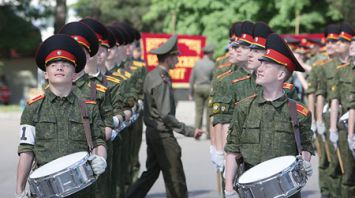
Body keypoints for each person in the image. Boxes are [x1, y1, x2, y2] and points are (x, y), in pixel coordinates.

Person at [15, 34, 107, 198]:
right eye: (53, 64)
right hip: (45, 189)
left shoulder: (88, 107)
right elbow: (26, 151)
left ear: (74, 75)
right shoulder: (33, 108)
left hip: (83, 187)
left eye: (65, 64)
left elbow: (99, 140)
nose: (59, 67)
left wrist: (101, 159)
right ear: (46, 74)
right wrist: (20, 190)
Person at [224, 33, 313, 198]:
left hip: (287, 189)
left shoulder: (299, 112)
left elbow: (305, 146)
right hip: (251, 187)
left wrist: (306, 162)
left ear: (280, 75)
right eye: (261, 63)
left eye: (267, 65)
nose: (260, 68)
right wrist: (229, 188)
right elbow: (233, 149)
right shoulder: (244, 107)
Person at [125, 35, 204, 198]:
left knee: (151, 174)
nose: (178, 59)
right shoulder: (161, 81)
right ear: (168, 58)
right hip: (163, 136)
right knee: (176, 180)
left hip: (153, 132)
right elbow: (166, 116)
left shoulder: (152, 75)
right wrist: (190, 131)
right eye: (176, 56)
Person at [329, 22, 355, 197]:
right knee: (348, 175)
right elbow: (335, 100)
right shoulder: (343, 71)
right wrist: (332, 129)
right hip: (347, 127)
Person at [189, 44, 215, 139]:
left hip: (198, 88)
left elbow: (192, 78)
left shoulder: (197, 63)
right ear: (210, 53)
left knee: (198, 112)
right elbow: (214, 80)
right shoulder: (212, 64)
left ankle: (197, 133)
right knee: (209, 112)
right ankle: (208, 134)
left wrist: (190, 92)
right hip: (208, 88)